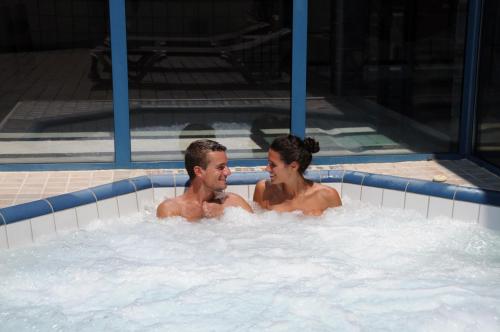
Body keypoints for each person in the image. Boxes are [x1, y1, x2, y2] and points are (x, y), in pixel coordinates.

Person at [157, 139, 253, 221]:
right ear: (198, 171)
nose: (228, 172)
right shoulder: (172, 210)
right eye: (221, 167)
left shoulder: (233, 203)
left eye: (226, 166)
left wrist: (223, 211)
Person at [253, 135, 341, 215]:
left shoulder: (327, 196)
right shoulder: (264, 190)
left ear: (293, 166)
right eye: (268, 163)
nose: (267, 169)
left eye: (273, 165)